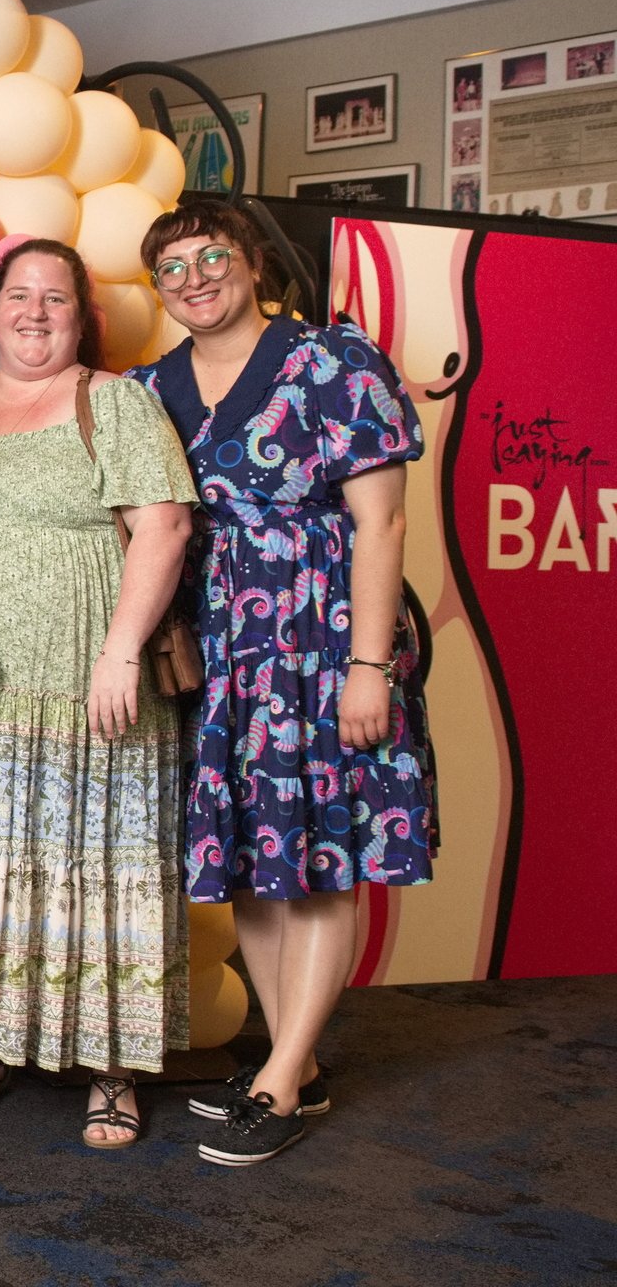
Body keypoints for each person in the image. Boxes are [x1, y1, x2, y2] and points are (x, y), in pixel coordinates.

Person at [124, 198, 436, 1167]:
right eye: (172, 268)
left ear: (254, 261)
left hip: (322, 637)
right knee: (255, 863)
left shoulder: (333, 362)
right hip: (223, 652)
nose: (194, 279)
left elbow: (381, 524)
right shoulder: (151, 386)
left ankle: (283, 1078)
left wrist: (368, 667)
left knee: (324, 856)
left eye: (212, 257)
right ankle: (287, 1062)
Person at [0, 240, 196, 1149]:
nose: (34, 312)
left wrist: (121, 653)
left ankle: (113, 1066)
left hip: (91, 685)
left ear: (80, 316)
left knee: (96, 864)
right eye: (18, 296)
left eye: (54, 298)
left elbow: (165, 529)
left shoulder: (116, 403)